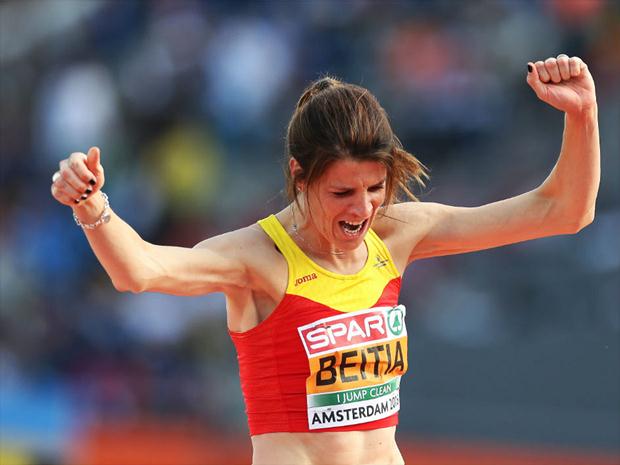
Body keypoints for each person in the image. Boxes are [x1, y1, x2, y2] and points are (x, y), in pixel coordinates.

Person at [50, 54, 598, 465]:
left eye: (375, 188)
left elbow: (562, 211)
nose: (362, 209)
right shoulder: (257, 257)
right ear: (299, 175)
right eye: (342, 193)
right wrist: (92, 205)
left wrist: (584, 116)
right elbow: (140, 270)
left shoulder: (397, 235)